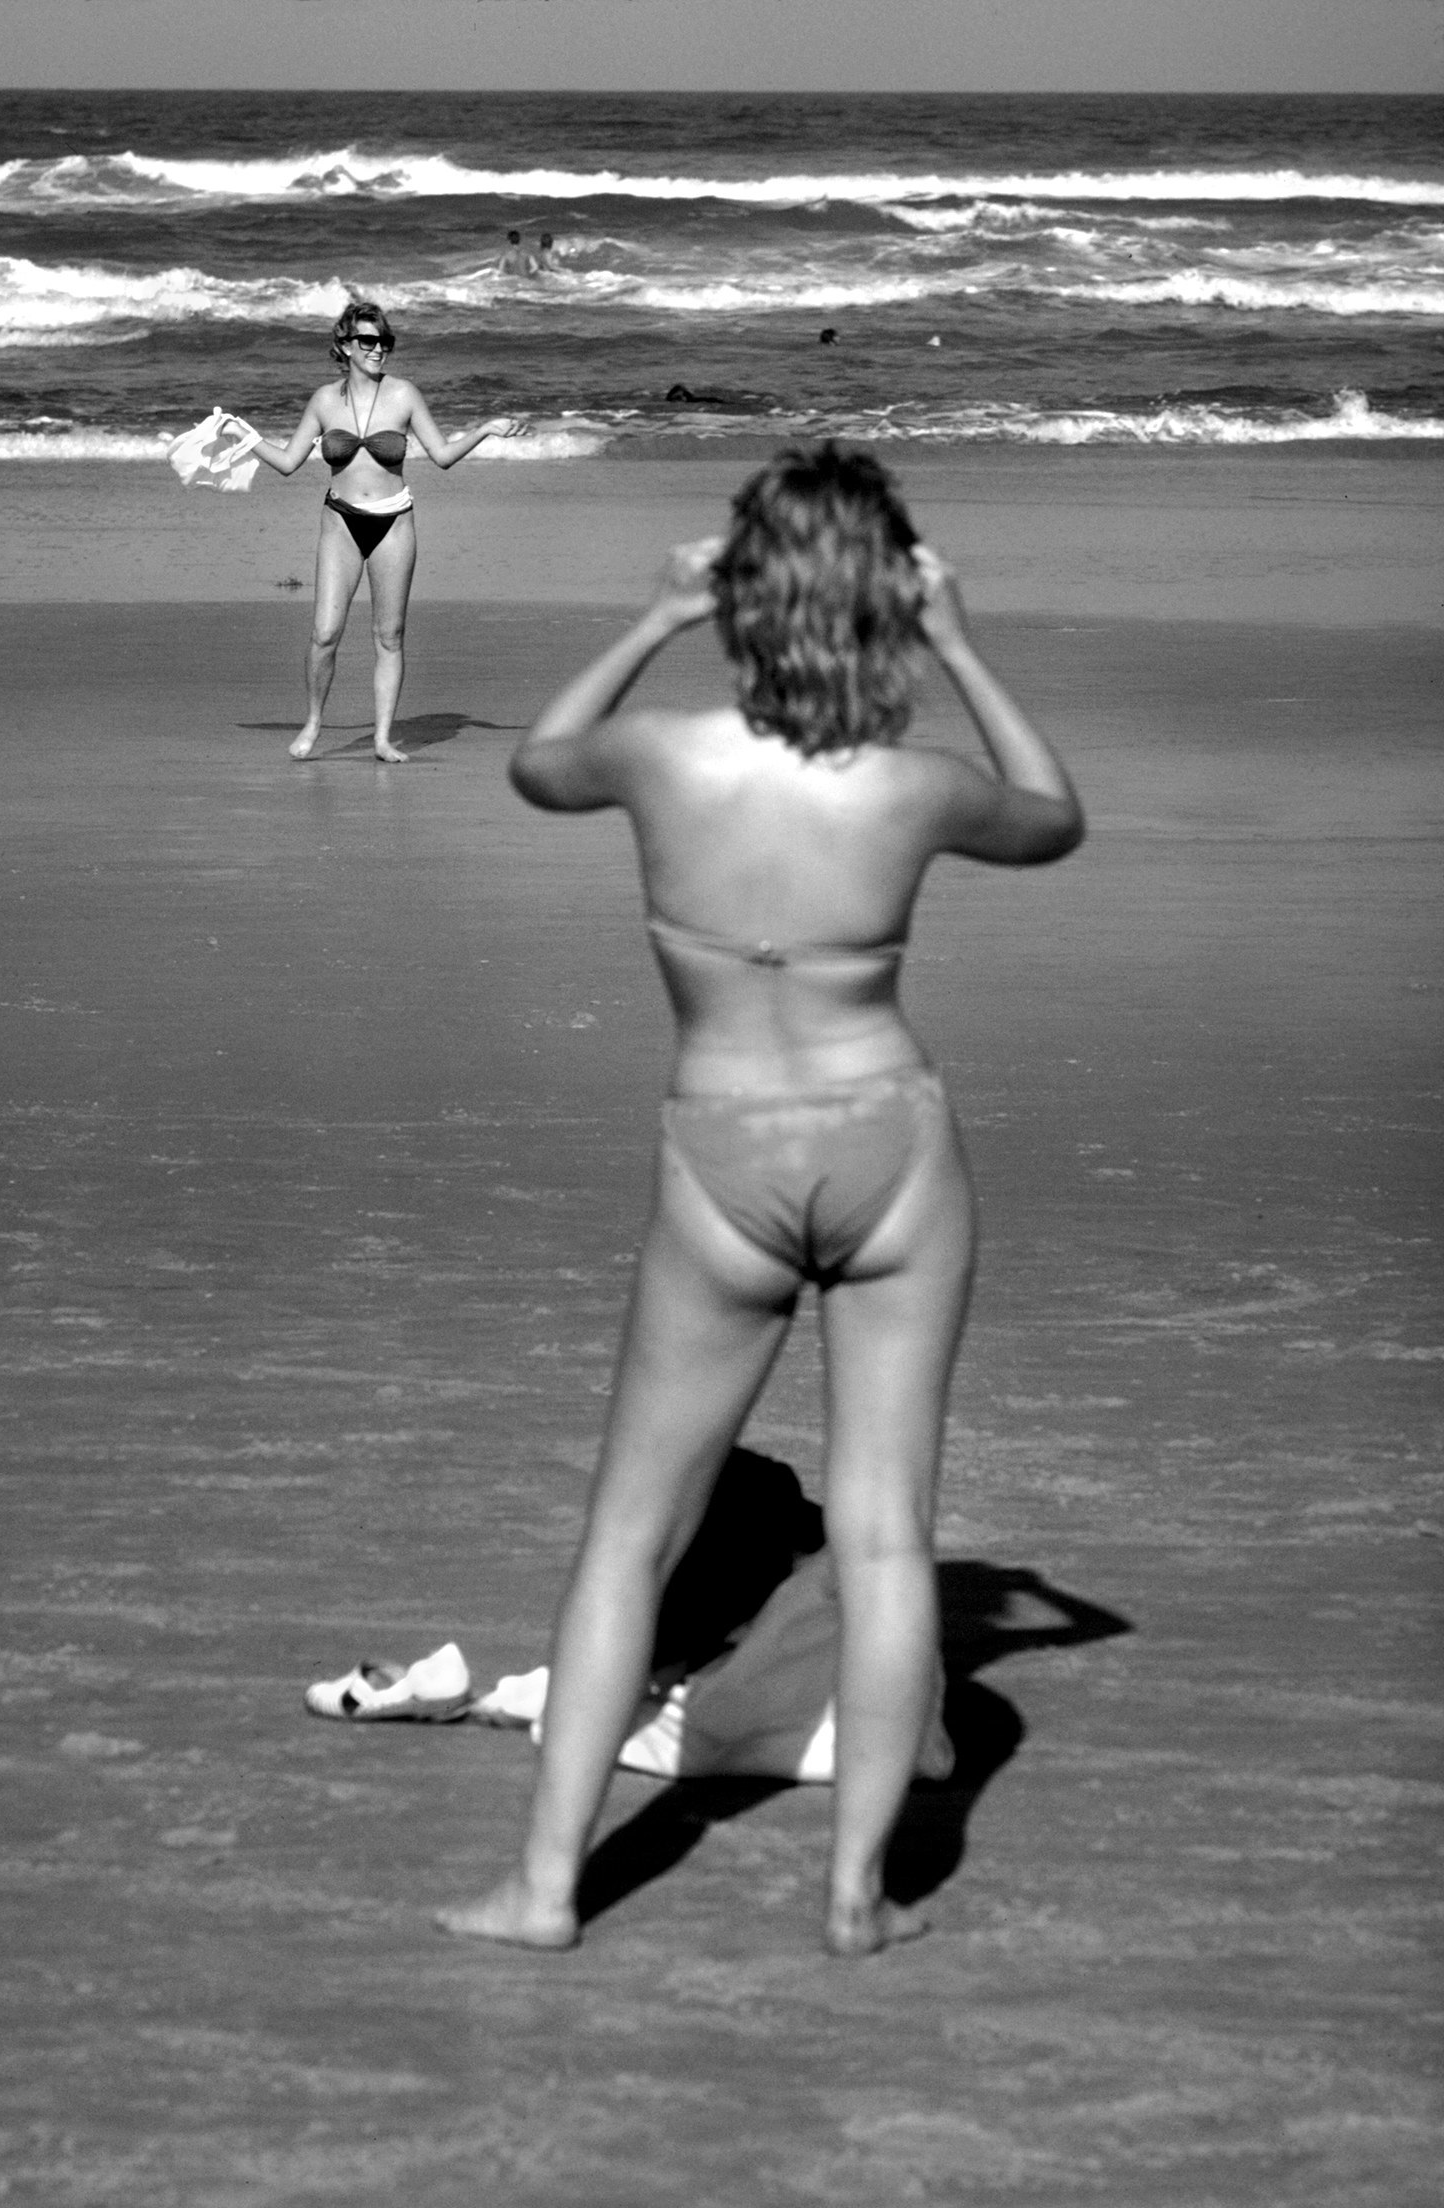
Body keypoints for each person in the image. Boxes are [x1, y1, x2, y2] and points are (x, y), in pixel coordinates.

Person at [438, 443, 1082, 1958]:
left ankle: (545, 1891)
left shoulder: (664, 758)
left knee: (627, 1540)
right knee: (884, 1538)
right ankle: (856, 1898)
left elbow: (538, 763)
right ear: (875, 608)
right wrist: (962, 642)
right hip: (888, 1143)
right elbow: (1052, 814)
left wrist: (655, 617)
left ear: (743, 598)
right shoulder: (911, 786)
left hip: (724, 1150)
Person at [234, 300, 521, 763]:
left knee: (389, 637)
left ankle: (384, 738)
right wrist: (247, 439)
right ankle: (313, 722)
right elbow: (288, 463)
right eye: (367, 341)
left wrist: (486, 429)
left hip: (394, 523)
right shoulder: (325, 401)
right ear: (344, 345)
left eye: (384, 341)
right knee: (325, 634)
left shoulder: (404, 395)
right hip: (340, 522)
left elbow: (443, 456)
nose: (378, 349)